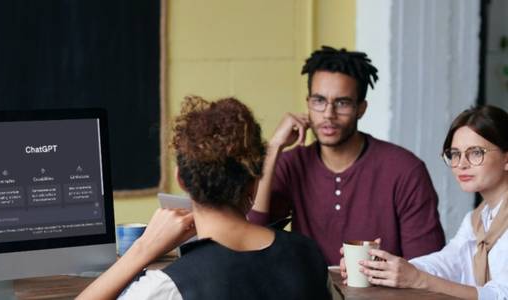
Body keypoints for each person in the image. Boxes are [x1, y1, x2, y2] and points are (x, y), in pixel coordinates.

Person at [78, 96, 332, 300]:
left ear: (181, 179)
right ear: (255, 180)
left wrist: (142, 249)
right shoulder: (310, 255)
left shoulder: (169, 287)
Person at [247, 46, 445, 265]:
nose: (328, 114)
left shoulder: (405, 170)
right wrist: (274, 148)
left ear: (361, 108)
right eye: (319, 101)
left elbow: (427, 268)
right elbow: (252, 236)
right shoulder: (292, 164)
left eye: (342, 103)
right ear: (308, 104)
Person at [342, 105, 508, 299]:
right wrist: (384, 268)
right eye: (455, 154)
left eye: (476, 152)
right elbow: (447, 262)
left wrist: (419, 279)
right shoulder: (477, 219)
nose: (462, 163)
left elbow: (501, 295)